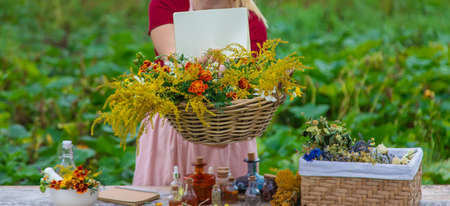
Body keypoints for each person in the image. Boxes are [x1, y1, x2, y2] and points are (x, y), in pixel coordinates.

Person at [133, 0, 268, 186]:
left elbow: (245, 83)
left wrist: (207, 71)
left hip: (227, 127)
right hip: (175, 123)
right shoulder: (166, 4)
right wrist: (214, 70)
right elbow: (174, 62)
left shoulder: (252, 21)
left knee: (227, 195)